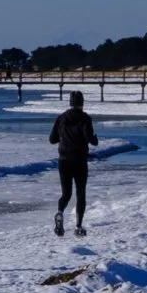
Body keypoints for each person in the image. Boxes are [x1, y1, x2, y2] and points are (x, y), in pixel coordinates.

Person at [49, 91, 100, 236]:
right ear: (82, 103)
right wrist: (95, 140)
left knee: (66, 194)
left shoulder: (61, 118)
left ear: (70, 102)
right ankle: (78, 226)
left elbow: (52, 139)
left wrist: (64, 137)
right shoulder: (85, 118)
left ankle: (60, 212)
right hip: (79, 160)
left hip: (64, 160)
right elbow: (89, 138)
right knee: (80, 193)